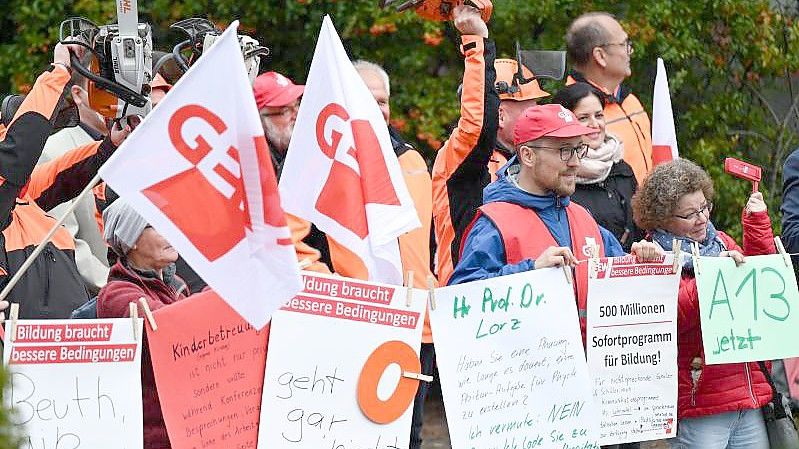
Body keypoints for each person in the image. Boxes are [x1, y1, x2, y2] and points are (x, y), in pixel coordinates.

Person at [450, 104, 660, 341]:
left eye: (578, 149)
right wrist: (531, 272)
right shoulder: (494, 223)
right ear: (528, 155)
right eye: (563, 150)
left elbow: (619, 283)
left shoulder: (582, 218)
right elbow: (461, 302)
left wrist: (640, 261)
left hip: (586, 372)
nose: (575, 162)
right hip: (526, 371)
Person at [632, 159, 774, 449]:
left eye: (704, 208)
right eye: (689, 214)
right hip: (700, 400)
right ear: (661, 218)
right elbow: (672, 317)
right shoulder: (652, 256)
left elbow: (761, 284)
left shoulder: (720, 242)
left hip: (745, 397)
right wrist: (713, 276)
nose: (702, 219)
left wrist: (757, 224)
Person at [0, 42, 130, 318]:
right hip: (19, 355)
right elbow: (21, 146)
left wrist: (110, 146)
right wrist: (60, 70)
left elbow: (66, 173)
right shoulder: (8, 178)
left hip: (66, 346)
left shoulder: (20, 197)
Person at [432, 4, 550, 286]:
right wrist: (476, 44)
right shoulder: (459, 156)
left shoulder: (529, 161)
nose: (539, 116)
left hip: (522, 291)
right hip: (467, 299)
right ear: (499, 112)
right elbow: (477, 125)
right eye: (529, 108)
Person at [354, 59, 437, 449]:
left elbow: (430, 240)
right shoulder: (331, 164)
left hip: (417, 324)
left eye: (383, 100)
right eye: (367, 100)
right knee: (362, 433)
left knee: (411, 434)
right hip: (358, 321)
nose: (379, 109)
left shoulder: (412, 159)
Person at [97, 200, 188, 449]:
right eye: (158, 225)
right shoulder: (117, 294)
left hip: (184, 432)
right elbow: (170, 328)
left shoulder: (177, 287)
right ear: (132, 240)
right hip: (151, 438)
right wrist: (223, 297)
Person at [551, 82, 643, 252]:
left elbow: (643, 228)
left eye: (599, 115)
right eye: (583, 118)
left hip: (630, 271)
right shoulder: (557, 176)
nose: (595, 124)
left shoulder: (622, 168)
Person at [566, 12, 652, 184]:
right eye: (624, 44)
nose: (630, 51)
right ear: (600, 56)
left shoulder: (630, 100)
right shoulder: (569, 113)